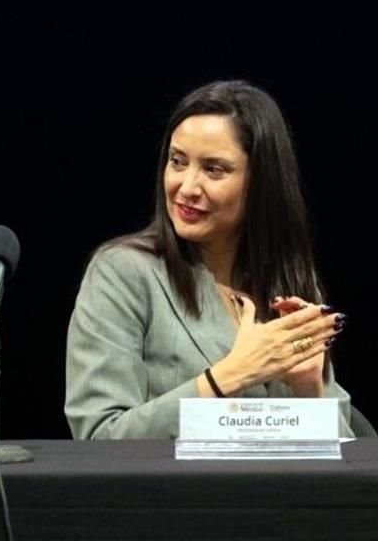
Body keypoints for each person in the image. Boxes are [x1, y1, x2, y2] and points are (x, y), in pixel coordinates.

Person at [65, 80, 353, 439]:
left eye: (214, 169)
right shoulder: (122, 273)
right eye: (177, 161)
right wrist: (230, 375)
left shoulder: (288, 280)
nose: (186, 187)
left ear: (262, 182)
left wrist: (309, 388)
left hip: (278, 495)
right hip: (179, 496)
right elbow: (99, 437)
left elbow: (347, 462)